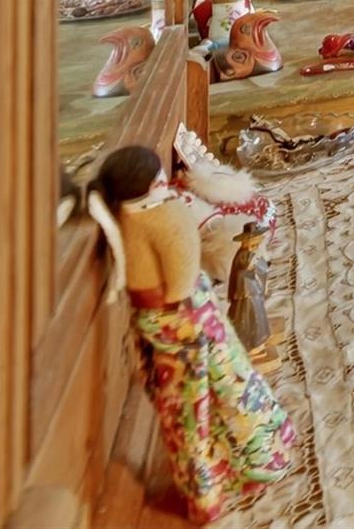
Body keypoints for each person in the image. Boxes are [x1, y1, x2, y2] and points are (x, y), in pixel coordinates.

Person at [89, 145, 294, 523]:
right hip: (185, 317)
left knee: (182, 408)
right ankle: (255, 459)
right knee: (224, 386)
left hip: (150, 321)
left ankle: (204, 486)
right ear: (156, 182)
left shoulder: (119, 216)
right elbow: (182, 281)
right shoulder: (169, 216)